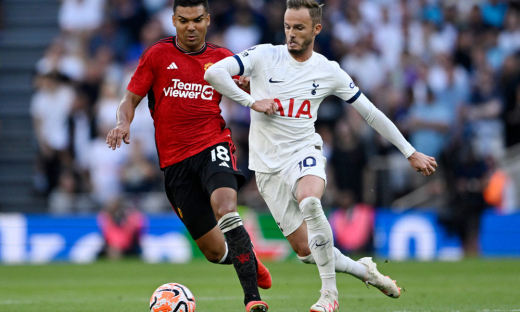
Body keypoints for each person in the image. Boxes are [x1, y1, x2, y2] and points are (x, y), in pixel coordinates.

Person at [204, 0, 438, 311]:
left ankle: (329, 296)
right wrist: (251, 102)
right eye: (287, 26)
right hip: (267, 166)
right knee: (305, 251)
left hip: (304, 151)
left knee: (310, 201)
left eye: (299, 28)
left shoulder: (328, 71)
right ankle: (363, 269)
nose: (291, 34)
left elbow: (370, 113)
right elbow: (215, 73)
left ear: (316, 29)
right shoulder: (263, 56)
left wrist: (409, 152)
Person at [105, 1, 274, 311]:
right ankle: (247, 256)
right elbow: (130, 100)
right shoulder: (157, 55)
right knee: (212, 251)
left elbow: (251, 86)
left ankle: (252, 299)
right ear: (173, 20)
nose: (191, 27)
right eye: (183, 20)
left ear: (208, 20)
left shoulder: (223, 59)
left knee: (226, 207)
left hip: (213, 145)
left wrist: (251, 86)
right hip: (175, 164)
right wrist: (122, 122)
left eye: (197, 19)